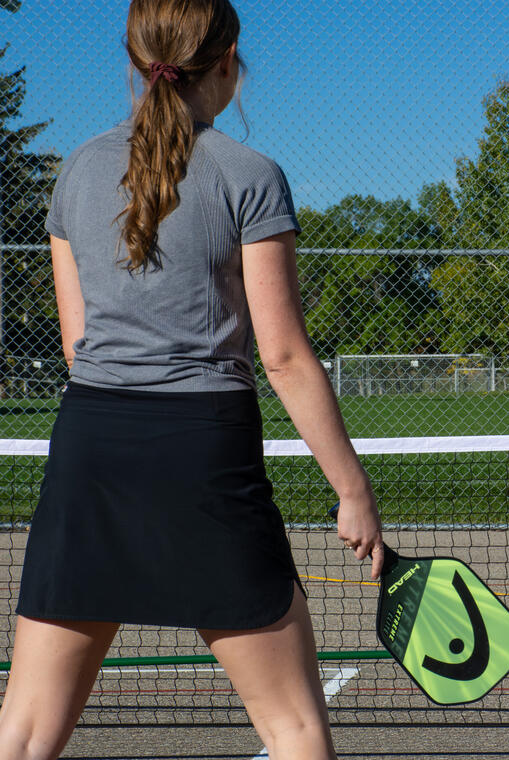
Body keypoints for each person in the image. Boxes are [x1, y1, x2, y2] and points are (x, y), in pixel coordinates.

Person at [0, 1, 383, 757]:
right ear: (229, 58)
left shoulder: (76, 170)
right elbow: (283, 357)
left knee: (25, 731)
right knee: (294, 726)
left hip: (91, 448)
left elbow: (78, 348)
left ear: (135, 60)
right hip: (203, 451)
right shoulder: (251, 175)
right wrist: (353, 490)